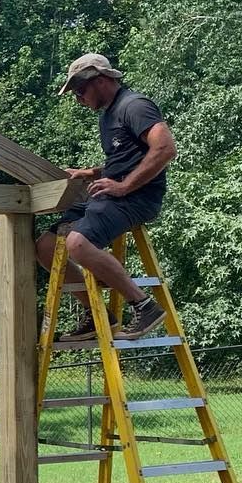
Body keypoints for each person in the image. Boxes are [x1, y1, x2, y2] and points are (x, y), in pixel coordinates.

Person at [42, 52, 178, 341]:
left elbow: (165, 149)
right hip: (110, 195)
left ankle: (143, 305)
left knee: (78, 242)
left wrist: (125, 186)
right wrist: (89, 172)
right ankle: (97, 313)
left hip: (136, 198)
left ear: (101, 80)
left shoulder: (135, 106)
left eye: (80, 91)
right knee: (45, 246)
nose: (78, 99)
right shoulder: (109, 115)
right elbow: (126, 159)